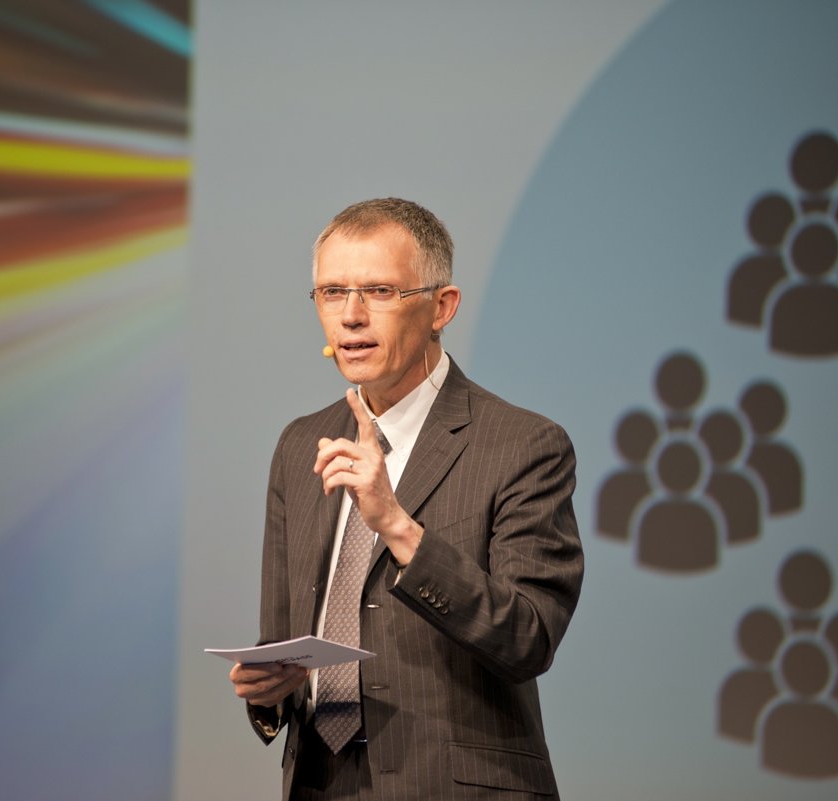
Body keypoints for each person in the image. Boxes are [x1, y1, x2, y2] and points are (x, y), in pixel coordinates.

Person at [228, 197, 584, 800]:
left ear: (442, 306)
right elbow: (282, 639)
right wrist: (268, 693)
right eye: (332, 292)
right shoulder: (300, 444)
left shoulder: (523, 444)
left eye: (380, 291)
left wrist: (396, 525)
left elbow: (528, 639)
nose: (351, 316)